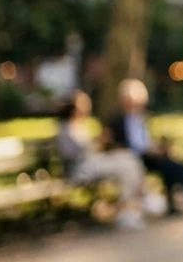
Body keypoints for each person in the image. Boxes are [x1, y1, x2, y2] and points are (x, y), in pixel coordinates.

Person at [55, 91, 148, 230]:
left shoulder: (79, 125)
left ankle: (132, 207)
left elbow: (88, 148)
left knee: (129, 159)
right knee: (126, 165)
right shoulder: (65, 128)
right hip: (80, 169)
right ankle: (128, 210)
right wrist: (95, 143)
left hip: (91, 163)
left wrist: (99, 143)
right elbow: (73, 153)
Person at [106, 78, 183, 213]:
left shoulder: (142, 117)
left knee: (172, 164)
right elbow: (118, 143)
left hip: (149, 154)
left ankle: (176, 197)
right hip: (132, 157)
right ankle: (181, 194)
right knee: (167, 164)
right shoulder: (116, 120)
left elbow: (147, 140)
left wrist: (157, 148)